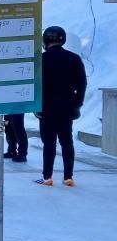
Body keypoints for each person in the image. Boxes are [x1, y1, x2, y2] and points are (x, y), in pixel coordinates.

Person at [35, 26, 87, 187]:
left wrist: (36, 105)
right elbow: (82, 83)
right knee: (67, 141)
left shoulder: (41, 59)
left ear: (45, 40)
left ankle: (47, 177)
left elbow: (35, 84)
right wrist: (77, 104)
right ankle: (68, 177)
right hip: (67, 106)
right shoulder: (74, 58)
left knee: (49, 142)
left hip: (46, 107)